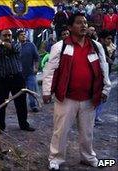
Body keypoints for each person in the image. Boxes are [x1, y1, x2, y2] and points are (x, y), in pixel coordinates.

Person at [42, 13, 111, 171]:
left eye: (85, 22)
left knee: (87, 132)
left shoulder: (95, 46)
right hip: (66, 98)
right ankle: (55, 158)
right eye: (79, 23)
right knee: (60, 131)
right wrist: (46, 91)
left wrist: (106, 89)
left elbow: (103, 68)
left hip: (89, 98)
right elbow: (50, 70)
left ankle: (88, 157)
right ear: (70, 27)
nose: (83, 25)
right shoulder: (61, 46)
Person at [0, 29, 35, 132]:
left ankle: (24, 124)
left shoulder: (17, 44)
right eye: (5, 35)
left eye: (9, 35)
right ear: (1, 36)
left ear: (12, 36)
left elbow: (13, 49)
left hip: (17, 77)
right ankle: (0, 126)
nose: (7, 37)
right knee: (0, 104)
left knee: (21, 103)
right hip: (2, 78)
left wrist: (1, 42)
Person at [17, 30, 40, 112]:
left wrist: (36, 68)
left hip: (30, 72)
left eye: (24, 35)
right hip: (19, 73)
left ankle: (33, 105)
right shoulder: (16, 46)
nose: (23, 36)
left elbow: (36, 57)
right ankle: (21, 106)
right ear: (18, 37)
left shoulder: (31, 45)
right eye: (21, 35)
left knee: (31, 90)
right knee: (20, 92)